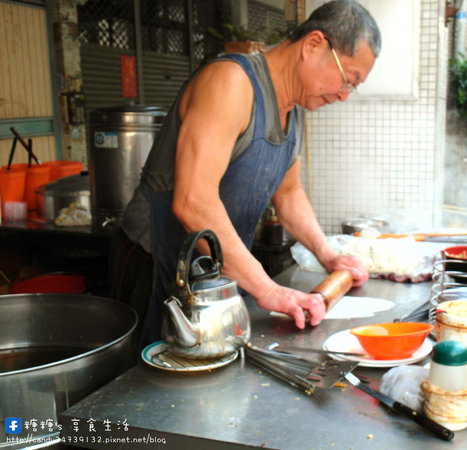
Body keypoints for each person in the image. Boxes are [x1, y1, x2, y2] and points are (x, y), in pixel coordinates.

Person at [112, 0, 381, 346]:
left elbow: (288, 193)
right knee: (145, 384)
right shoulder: (230, 83)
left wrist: (326, 253)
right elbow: (193, 203)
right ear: (313, 45)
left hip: (212, 269)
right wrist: (268, 289)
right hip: (153, 262)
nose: (344, 95)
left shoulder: (293, 110)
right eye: (348, 79)